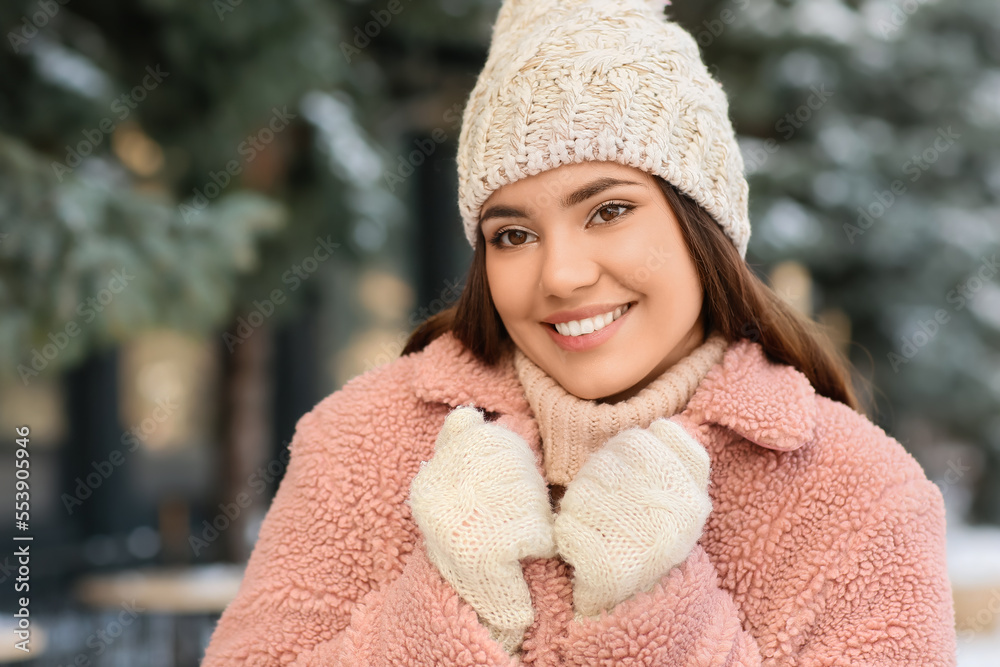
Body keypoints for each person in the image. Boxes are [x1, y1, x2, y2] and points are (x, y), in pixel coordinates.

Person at [200, 0, 958, 665]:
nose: (559, 274)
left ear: (704, 224)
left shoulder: (859, 496)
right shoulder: (362, 447)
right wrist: (452, 603)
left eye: (608, 210)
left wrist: (657, 609)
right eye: (512, 234)